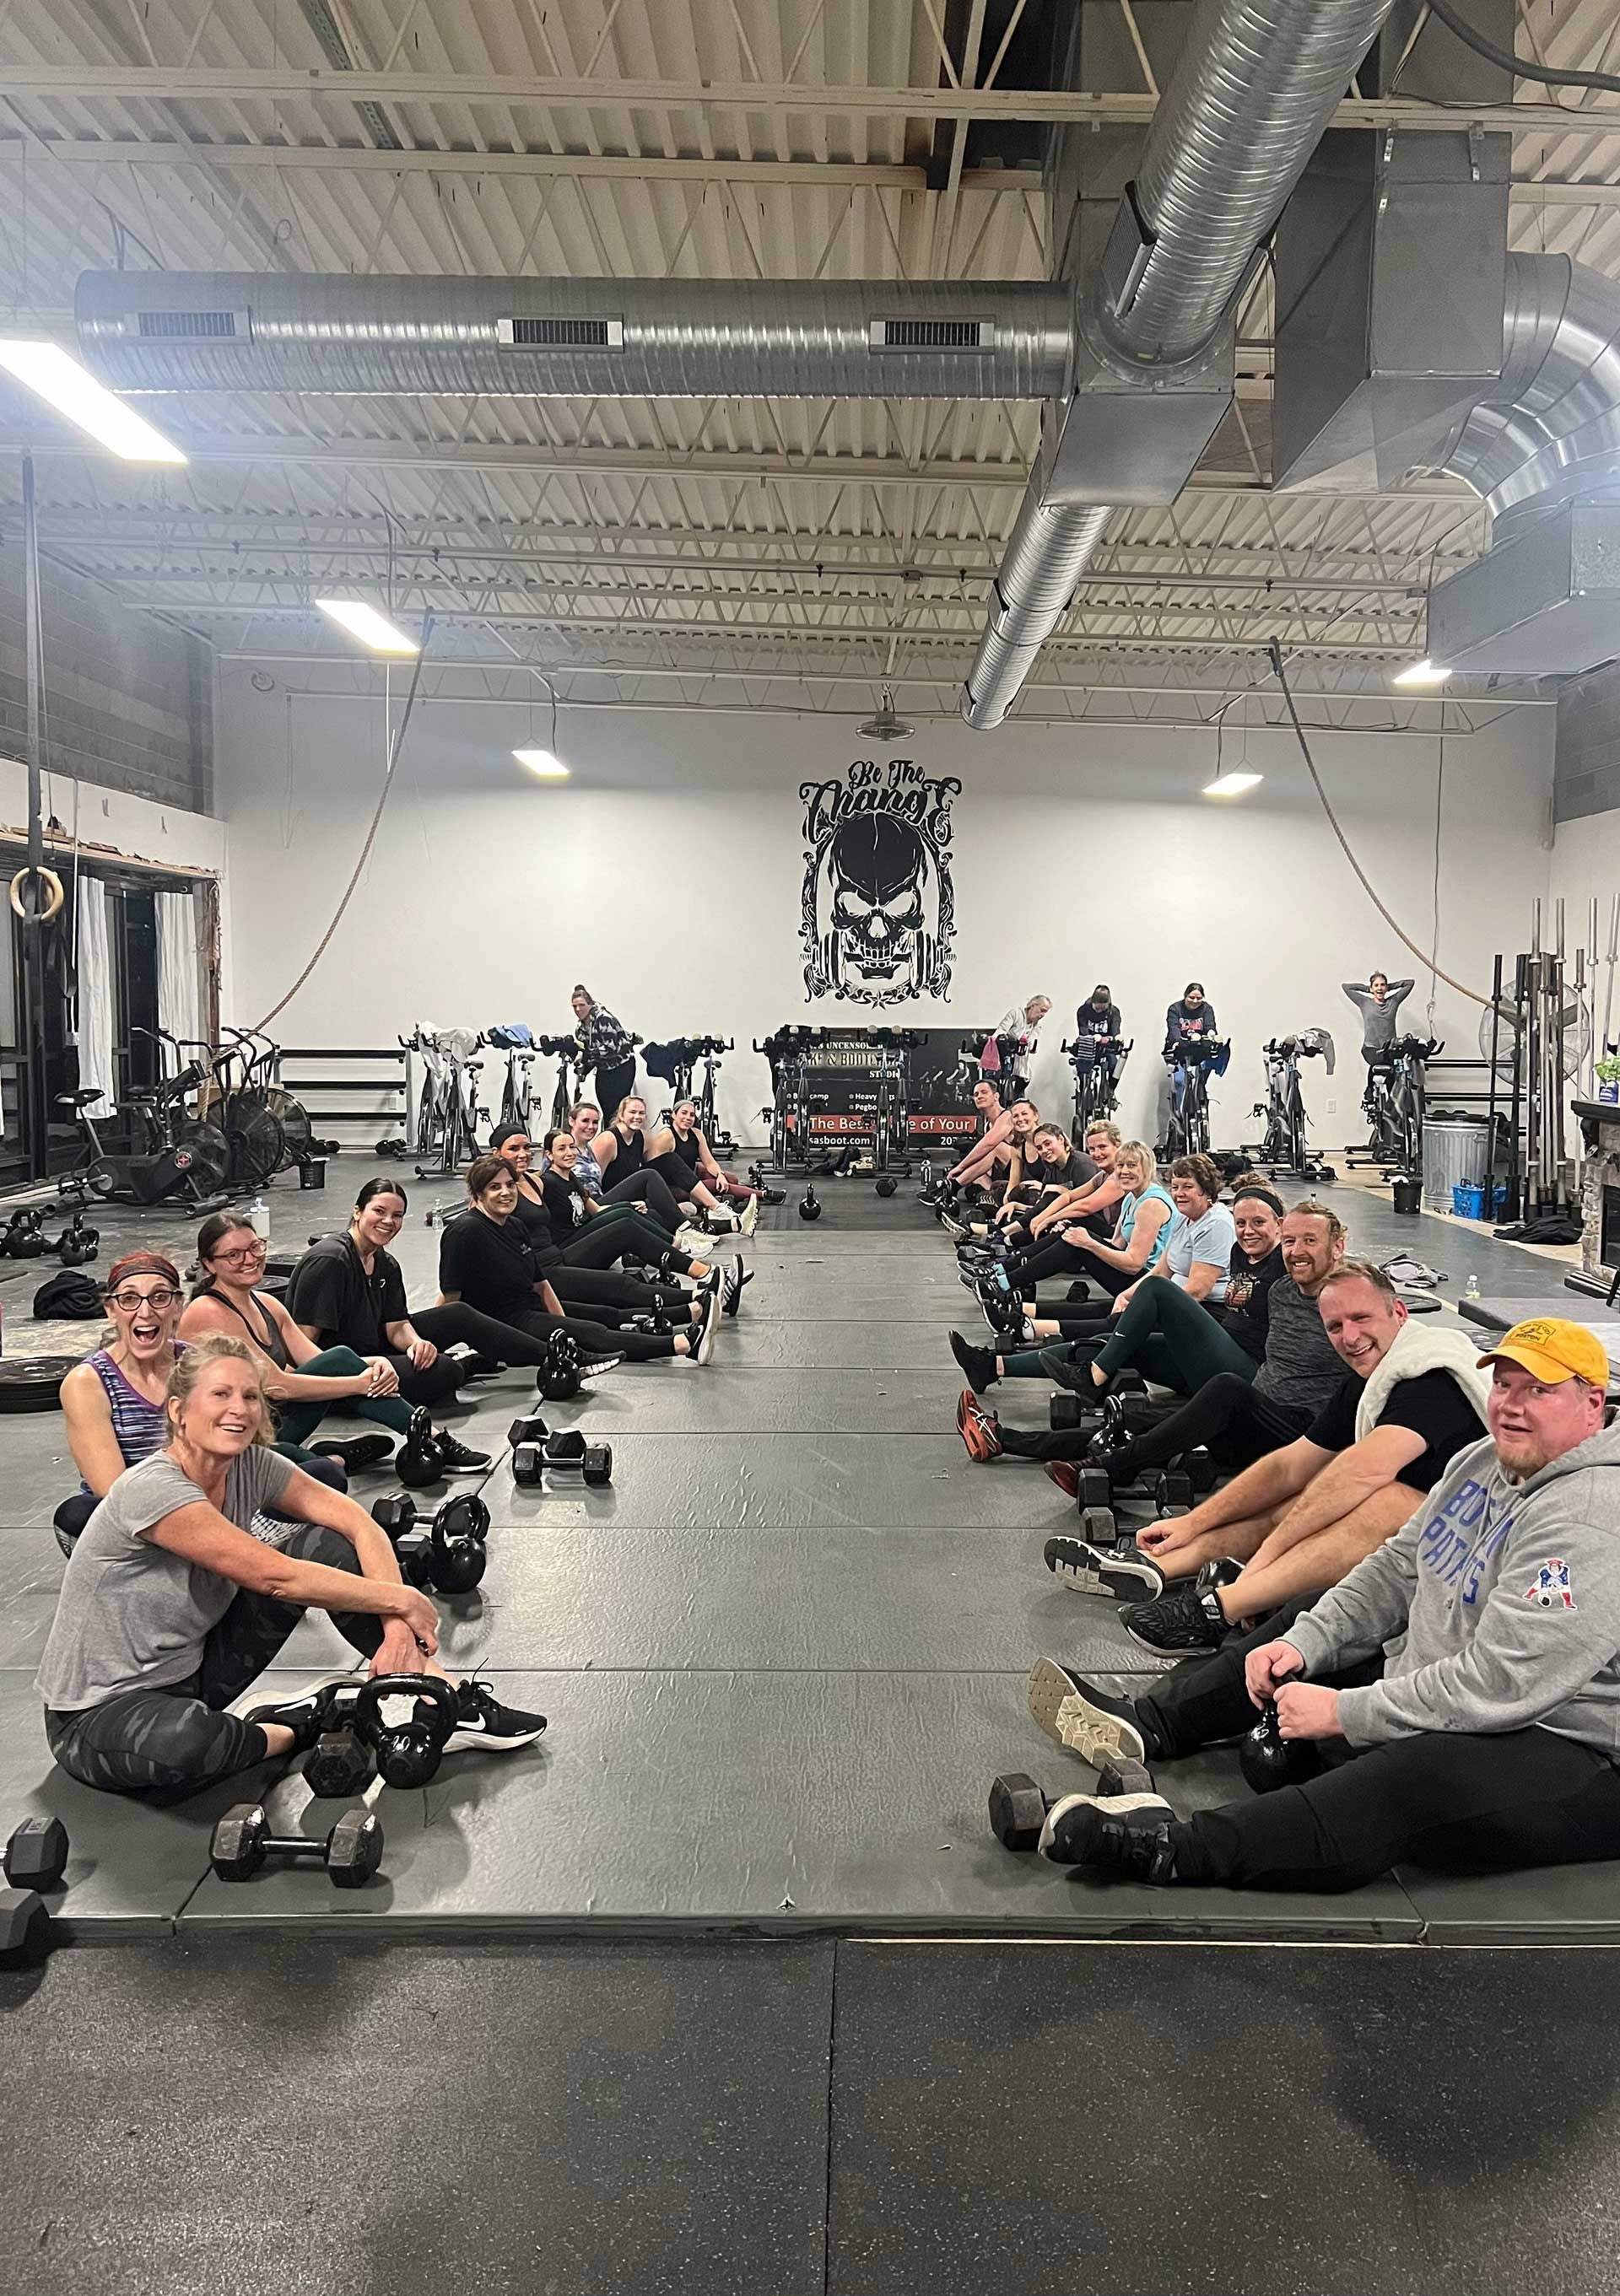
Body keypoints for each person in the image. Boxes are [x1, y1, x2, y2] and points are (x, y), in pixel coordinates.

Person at [1018, 1318, 1620, 1894]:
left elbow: (1502, 1684)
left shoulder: (1591, 1518)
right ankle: (1153, 1725)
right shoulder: (1480, 1462)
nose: (1512, 1405)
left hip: (1575, 1747)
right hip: (1454, 1683)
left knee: (1411, 1777)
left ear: (1593, 1404)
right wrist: (1302, 1644)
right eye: (1505, 1385)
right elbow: (1390, 1573)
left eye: (1539, 1390)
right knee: (1309, 1624)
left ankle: (1170, 1848)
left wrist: (1347, 1712)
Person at [35, 1334, 546, 1799]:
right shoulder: (153, 1487)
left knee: (323, 1544)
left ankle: (445, 1699)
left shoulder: (252, 1466)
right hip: (96, 1711)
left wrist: (395, 1629)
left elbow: (358, 1525)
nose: (239, 1410)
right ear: (179, 1411)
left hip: (195, 1672)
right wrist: (404, 1598)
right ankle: (302, 1723)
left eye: (250, 1396)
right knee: (188, 1747)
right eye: (220, 1395)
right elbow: (273, 1579)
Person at [1041, 1261, 1490, 1650]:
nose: (1349, 1337)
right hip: (1400, 1510)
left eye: (1361, 1318)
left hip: (1472, 1531)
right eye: (1335, 1326)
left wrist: (1261, 1565)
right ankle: (1156, 1565)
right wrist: (1191, 1523)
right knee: (1298, 1503)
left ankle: (1228, 1606)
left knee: (1380, 1501)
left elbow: (1361, 1473)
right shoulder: (1369, 1375)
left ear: (1399, 1312)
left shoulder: (1428, 1375)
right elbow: (1289, 1465)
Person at [963, 1199, 1348, 1473]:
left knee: (1220, 1389)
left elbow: (1382, 1364)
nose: (1296, 1251)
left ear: (1338, 1246)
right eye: (1293, 1241)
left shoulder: (1351, 1300)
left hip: (1295, 1430)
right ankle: (1004, 1438)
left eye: (1310, 1241)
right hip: (1251, 1407)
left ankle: (1113, 1466)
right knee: (1130, 1422)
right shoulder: (1284, 1289)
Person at [52, 1252, 352, 1557]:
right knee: (76, 1515)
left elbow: (240, 1443)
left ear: (178, 1306)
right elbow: (113, 1490)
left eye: (159, 1297)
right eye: (129, 1299)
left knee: (326, 1476)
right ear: (111, 1310)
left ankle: (225, 1551)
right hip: (145, 1513)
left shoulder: (200, 1361)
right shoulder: (88, 1383)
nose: (145, 1312)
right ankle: (230, 1550)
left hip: (214, 1496)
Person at [178, 1212, 489, 1474]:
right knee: (313, 1471)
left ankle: (428, 1436)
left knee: (342, 1356)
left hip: (270, 1419)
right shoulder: (208, 1310)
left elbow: (317, 1359)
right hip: (240, 1434)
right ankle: (339, 1456)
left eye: (255, 1248)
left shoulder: (266, 1303)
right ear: (208, 1264)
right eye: (234, 1255)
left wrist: (375, 1365)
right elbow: (276, 1385)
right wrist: (358, 1384)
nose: (250, 1260)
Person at [954, 1181, 1283, 1408]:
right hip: (1216, 1355)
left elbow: (1189, 1286)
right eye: (1242, 1223)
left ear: (1279, 1225)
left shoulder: (1283, 1265)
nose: (1247, 1230)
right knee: (1110, 1345)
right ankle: (994, 1366)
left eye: (1258, 1222)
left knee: (1154, 1292)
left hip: (1246, 1371)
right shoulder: (1241, 1252)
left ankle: (1091, 1375)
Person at [289, 1178, 600, 1403]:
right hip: (344, 1366)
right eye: (379, 1212)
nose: (388, 1222)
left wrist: (415, 1343)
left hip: (376, 1343)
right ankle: (464, 1366)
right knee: (445, 1372)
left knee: (457, 1314)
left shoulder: (385, 1263)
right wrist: (361, 1373)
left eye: (396, 1216)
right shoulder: (330, 1261)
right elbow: (303, 1350)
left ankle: (558, 1357)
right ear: (358, 1212)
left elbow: (396, 1325)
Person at [439, 1155, 721, 1365]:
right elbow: (450, 1300)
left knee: (602, 1314)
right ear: (477, 1195)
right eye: (494, 1188)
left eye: (510, 1184)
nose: (506, 1192)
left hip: (528, 1305)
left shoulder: (514, 1226)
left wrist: (562, 1321)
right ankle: (684, 1344)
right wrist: (442, 1343)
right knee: (592, 1331)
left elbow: (541, 1284)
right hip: (501, 1322)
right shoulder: (465, 1231)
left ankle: (693, 1310)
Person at [490, 1122, 745, 1321]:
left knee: (629, 1219)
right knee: (621, 1278)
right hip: (549, 1266)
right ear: (496, 1153)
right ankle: (705, 1286)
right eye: (514, 1149)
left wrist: (626, 1206)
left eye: (526, 1147)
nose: (523, 1154)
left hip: (557, 1256)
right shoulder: (503, 1192)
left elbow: (596, 1209)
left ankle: (707, 1282)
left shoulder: (533, 1181)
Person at [964, 1140, 1173, 1319]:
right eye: (1121, 1166)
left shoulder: (1150, 1205)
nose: (1124, 1171)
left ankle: (1003, 1280)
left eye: (1132, 1166)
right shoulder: (1131, 1196)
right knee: (1073, 1232)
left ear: (1147, 1168)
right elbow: (1116, 1245)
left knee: (1078, 1239)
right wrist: (1074, 1233)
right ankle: (1003, 1274)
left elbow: (1134, 1265)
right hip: (1136, 1274)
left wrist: (1087, 1242)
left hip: (1146, 1283)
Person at [645, 1097, 759, 1235]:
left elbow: (709, 1162)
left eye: (692, 1115)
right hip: (673, 1187)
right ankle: (760, 1195)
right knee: (712, 1185)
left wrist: (720, 1175)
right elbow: (654, 1168)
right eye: (684, 1113)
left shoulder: (697, 1134)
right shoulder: (666, 1137)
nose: (688, 1117)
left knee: (730, 1180)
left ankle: (703, 1203)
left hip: (690, 1179)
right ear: (674, 1115)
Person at [592, 1094, 705, 1232]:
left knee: (669, 1161)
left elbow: (659, 1167)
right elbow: (594, 1185)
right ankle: (683, 1219)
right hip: (610, 1201)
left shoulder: (643, 1137)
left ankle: (709, 1214)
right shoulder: (608, 1140)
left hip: (635, 1198)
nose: (637, 1116)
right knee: (662, 1214)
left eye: (641, 1113)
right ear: (621, 1115)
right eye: (632, 1112)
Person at [932, 1078, 1018, 1196]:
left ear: (996, 1096)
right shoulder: (987, 1124)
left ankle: (954, 1187)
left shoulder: (1007, 1116)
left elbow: (989, 1144)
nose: (979, 1096)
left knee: (997, 1147)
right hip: (1005, 1173)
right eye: (976, 1094)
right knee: (975, 1173)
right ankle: (996, 1196)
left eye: (984, 1092)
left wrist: (960, 1167)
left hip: (1020, 1170)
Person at [570, 984, 638, 1118]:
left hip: (621, 1067)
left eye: (581, 1005)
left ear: (590, 1004)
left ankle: (617, 1137)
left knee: (617, 1109)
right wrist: (583, 1062)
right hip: (604, 1068)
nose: (578, 1009)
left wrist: (588, 1056)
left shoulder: (603, 1018)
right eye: (574, 1006)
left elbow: (612, 1048)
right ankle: (608, 1135)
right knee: (606, 1110)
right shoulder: (581, 1026)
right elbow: (585, 1048)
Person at [1343, 972, 1415, 1083]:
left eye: (1383, 985)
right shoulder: (1365, 1003)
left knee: (1394, 1071)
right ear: (1372, 988)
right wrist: (1368, 989)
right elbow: (1346, 987)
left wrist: (1390, 987)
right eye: (1376, 985)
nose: (1380, 988)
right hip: (1371, 1048)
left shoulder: (1393, 1002)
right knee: (1380, 1060)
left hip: (1390, 1048)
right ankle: (1370, 1088)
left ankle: (1391, 1099)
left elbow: (1410, 983)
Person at [985, 995, 1051, 1096]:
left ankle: (1017, 1098)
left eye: (1045, 1012)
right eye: (1042, 1010)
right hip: (1005, 1051)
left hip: (1019, 1056)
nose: (1043, 1015)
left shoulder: (1037, 1025)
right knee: (995, 1079)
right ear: (1033, 1006)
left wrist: (1032, 1048)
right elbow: (1002, 1029)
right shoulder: (1016, 1014)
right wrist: (995, 1039)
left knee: (1025, 1077)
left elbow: (1032, 1040)